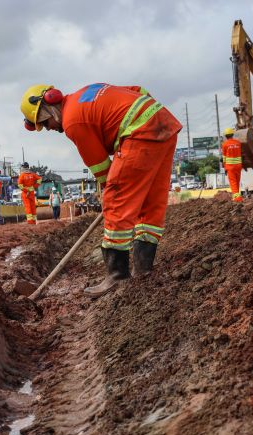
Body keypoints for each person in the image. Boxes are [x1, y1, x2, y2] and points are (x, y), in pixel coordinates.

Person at [20, 83, 181, 297]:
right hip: (163, 124)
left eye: (45, 123)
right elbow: (139, 90)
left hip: (140, 135)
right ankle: (143, 270)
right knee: (152, 202)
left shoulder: (73, 121)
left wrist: (111, 189)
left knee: (116, 201)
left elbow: (101, 168)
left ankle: (117, 276)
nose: (50, 128)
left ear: (49, 104)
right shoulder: (86, 93)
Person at [221, 128, 244, 202]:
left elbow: (224, 157)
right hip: (238, 165)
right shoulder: (238, 143)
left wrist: (224, 167)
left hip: (230, 166)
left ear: (226, 136)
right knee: (237, 181)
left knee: (233, 182)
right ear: (232, 134)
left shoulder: (224, 144)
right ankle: (238, 196)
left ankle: (237, 199)